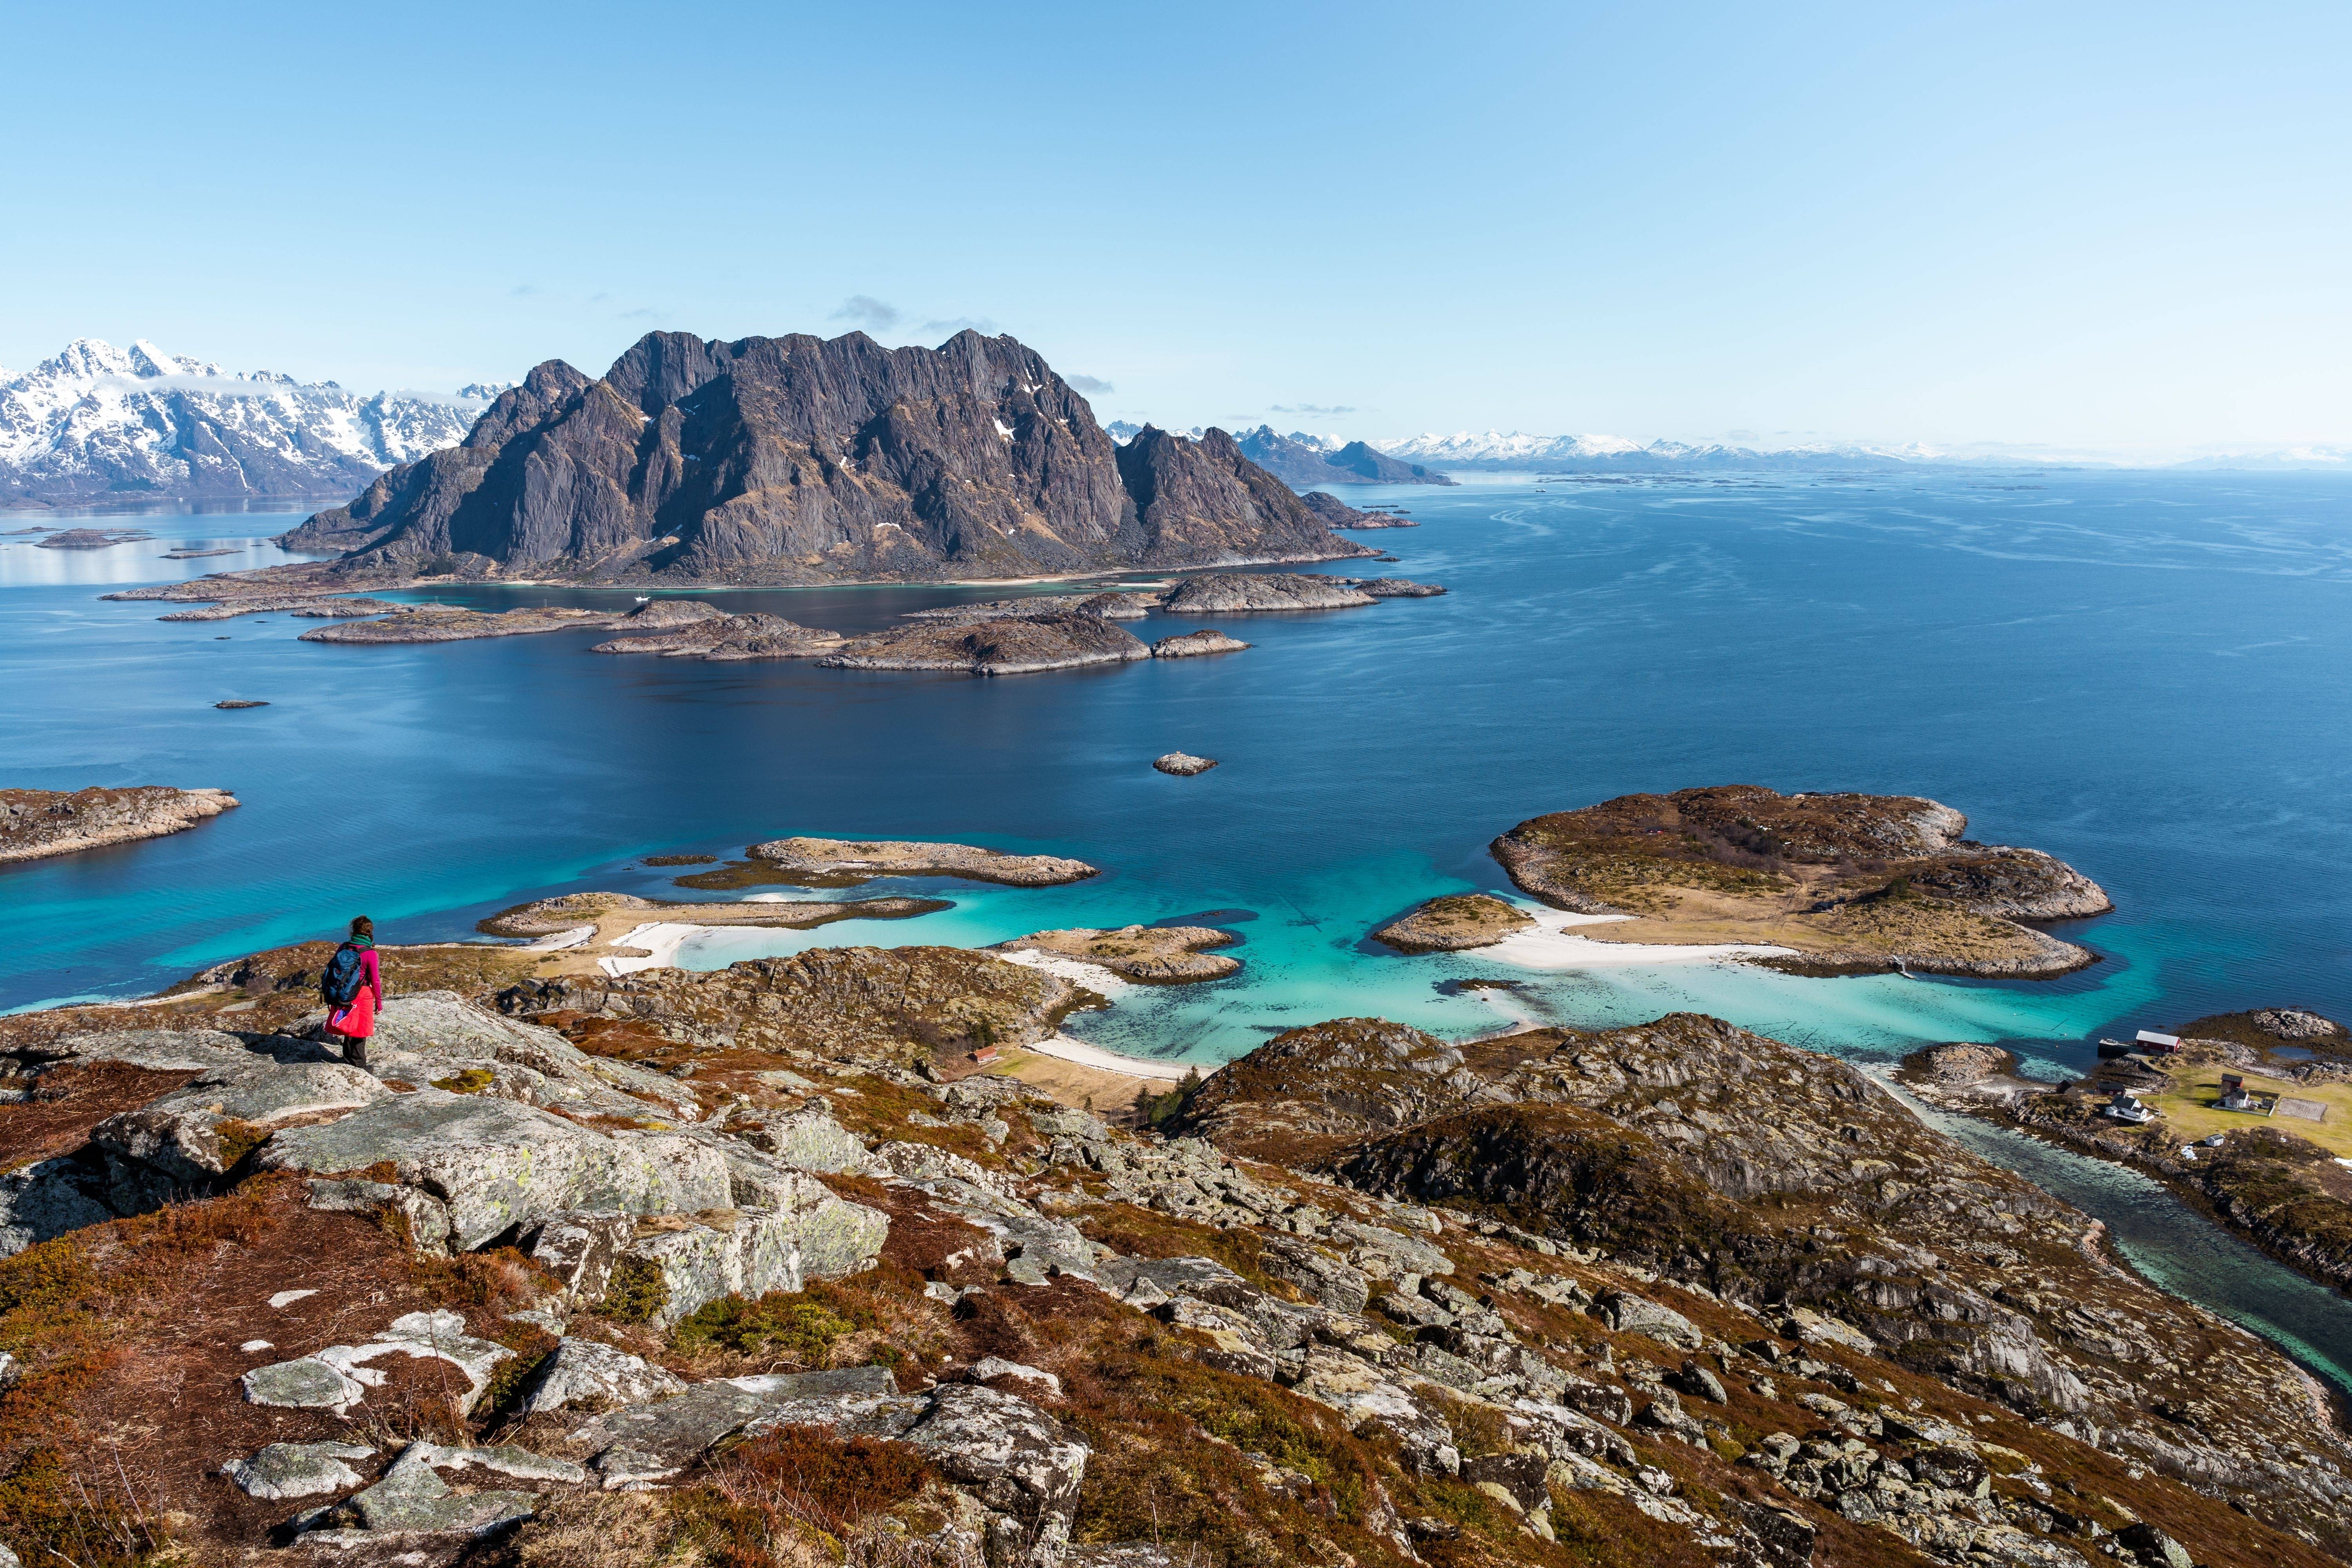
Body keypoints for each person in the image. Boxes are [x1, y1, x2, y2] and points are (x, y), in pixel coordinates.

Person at [321, 916, 385, 1069]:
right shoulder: (370, 954)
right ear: (370, 931)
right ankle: (359, 1066)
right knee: (359, 1030)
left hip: (343, 993)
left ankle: (348, 1059)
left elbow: (335, 973)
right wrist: (379, 1003)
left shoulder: (344, 947)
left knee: (348, 1026)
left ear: (353, 930)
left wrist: (331, 998)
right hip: (362, 994)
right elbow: (375, 981)